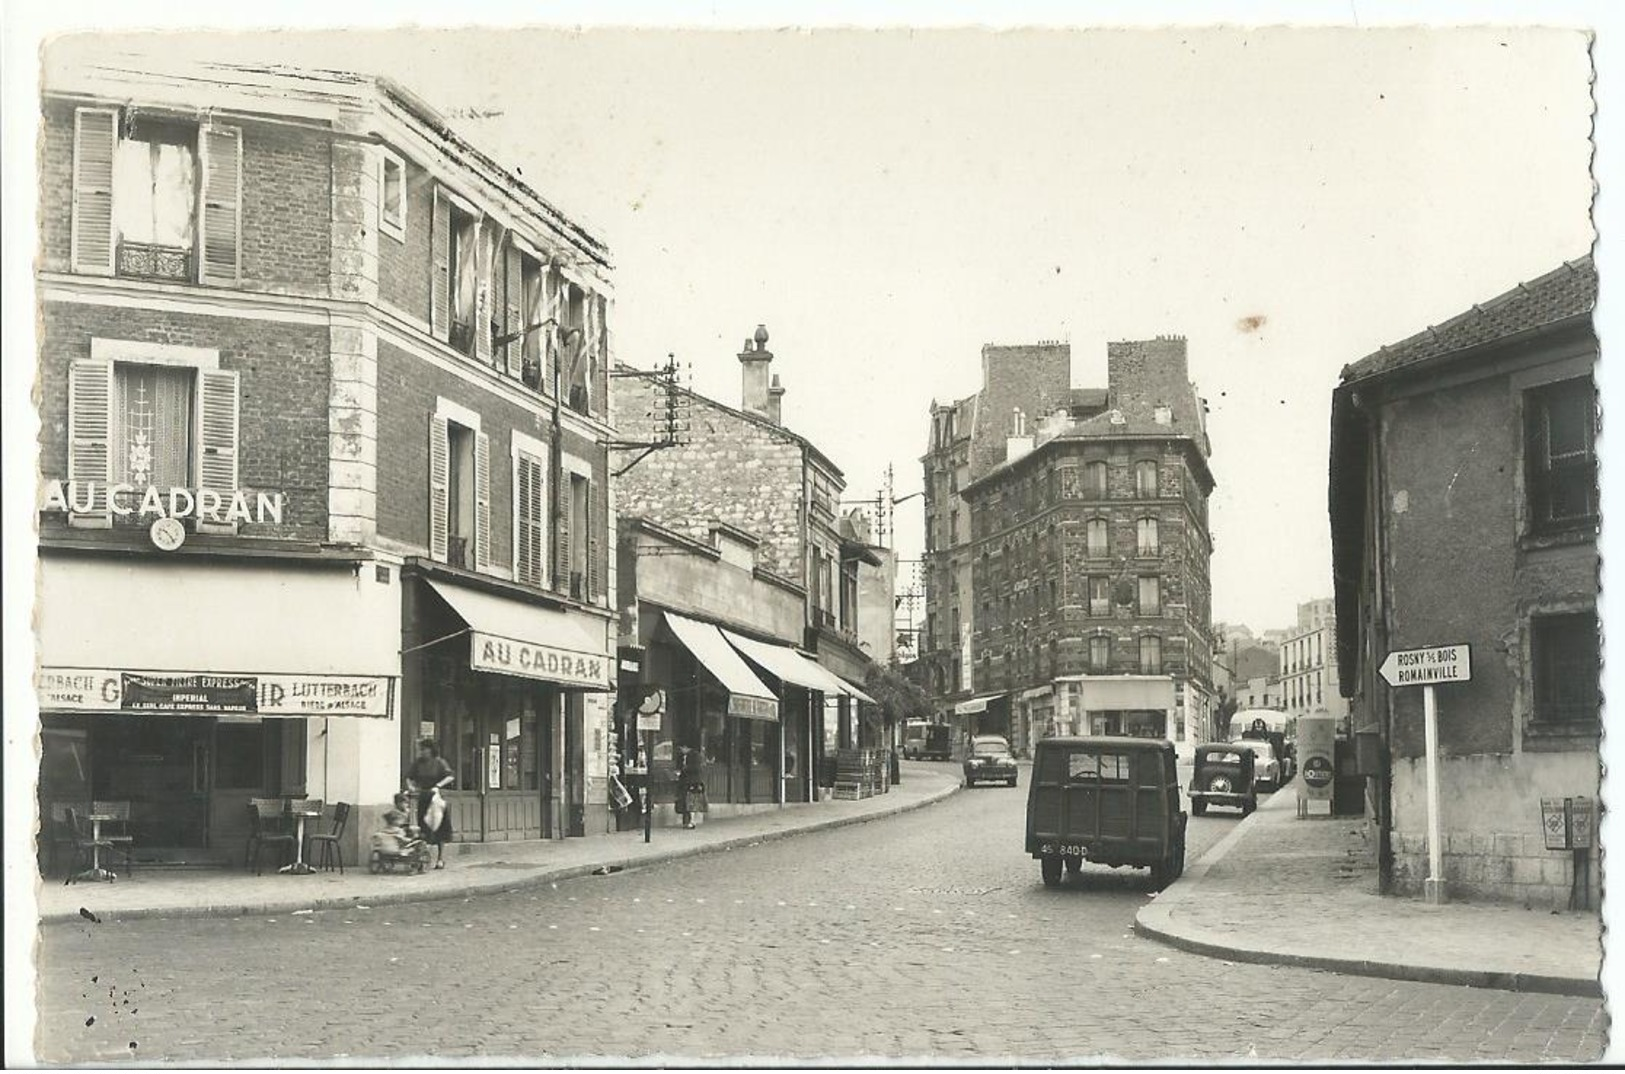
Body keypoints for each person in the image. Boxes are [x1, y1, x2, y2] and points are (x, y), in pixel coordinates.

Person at [406, 738, 454, 868]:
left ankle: (440, 858)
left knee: (440, 826)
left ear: (431, 750)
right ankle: (423, 857)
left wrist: (438, 785)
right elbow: (409, 777)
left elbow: (450, 776)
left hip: (437, 798)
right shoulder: (418, 763)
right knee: (424, 827)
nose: (422, 752)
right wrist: (411, 786)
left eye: (424, 749)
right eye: (420, 750)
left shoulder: (439, 762)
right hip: (423, 796)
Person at [678, 745, 705, 829]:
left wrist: (684, 770)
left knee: (691, 801)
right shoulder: (688, 756)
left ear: (686, 747)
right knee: (690, 801)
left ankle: (692, 821)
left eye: (681, 748)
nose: (681, 751)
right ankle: (689, 821)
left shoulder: (694, 756)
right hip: (690, 782)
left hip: (692, 782)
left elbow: (694, 768)